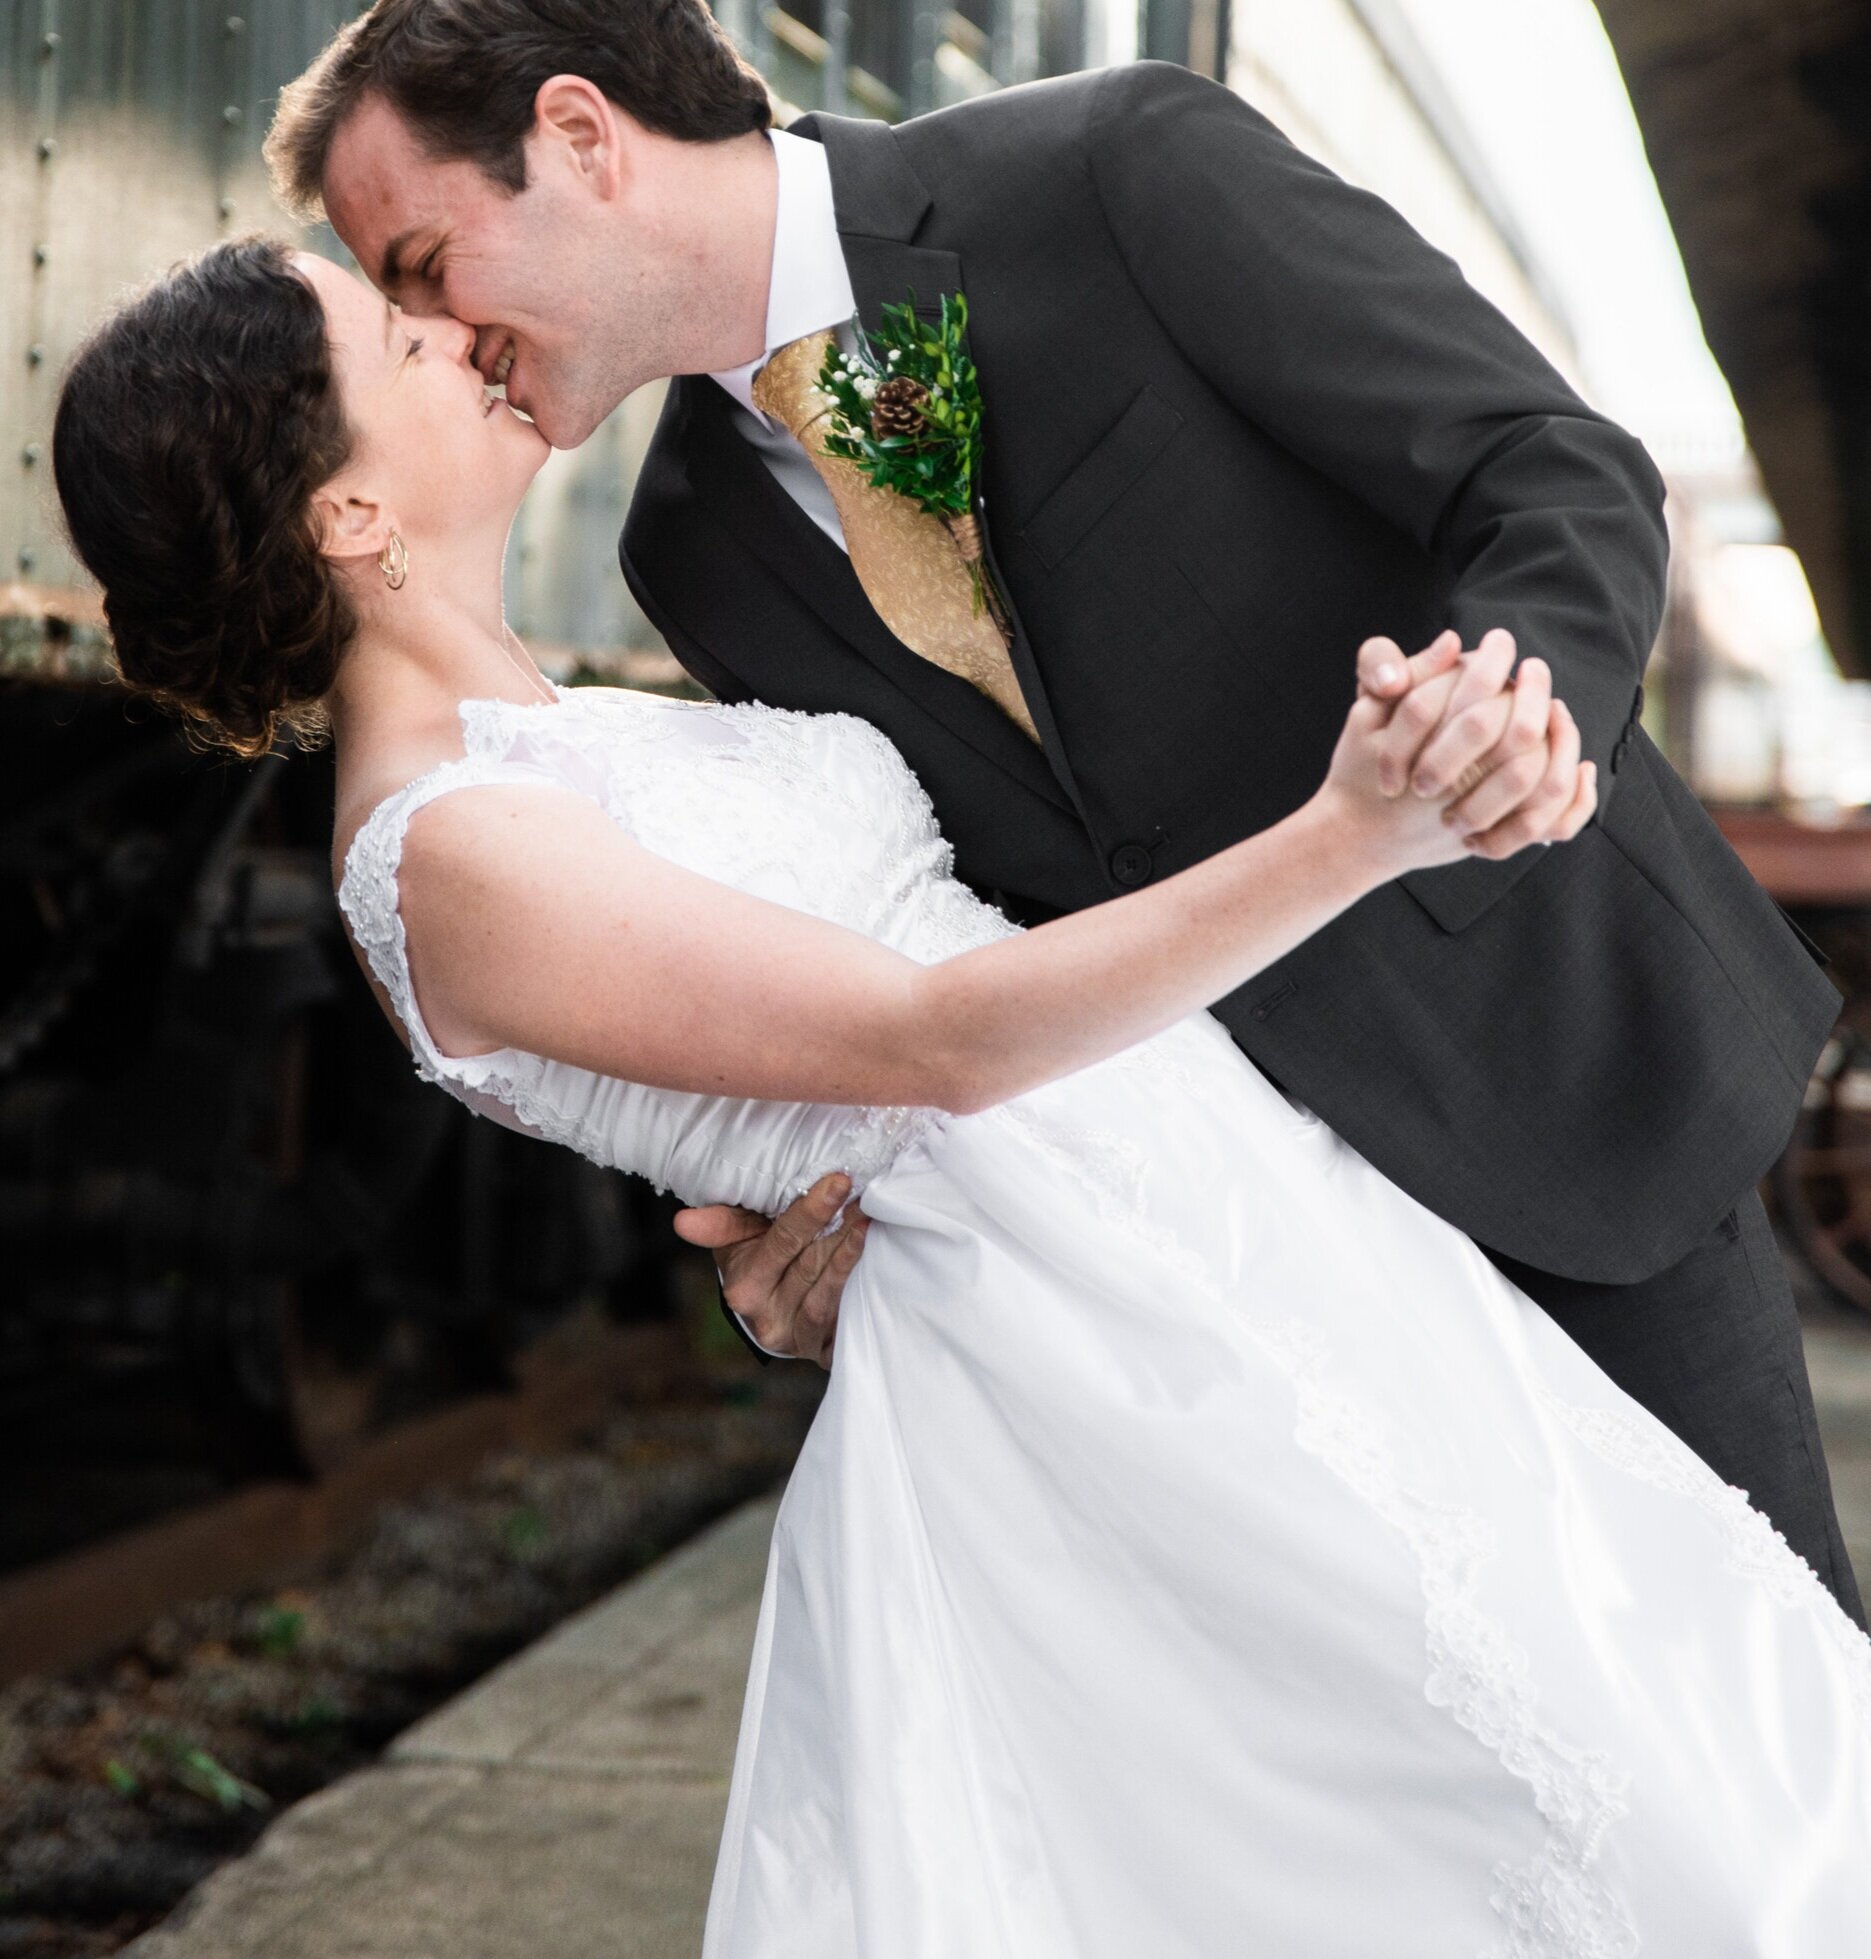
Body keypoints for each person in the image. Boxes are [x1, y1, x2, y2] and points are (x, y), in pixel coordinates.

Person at [51, 234, 1871, 1951]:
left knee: (1660, 1735)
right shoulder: (441, 855)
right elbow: (931, 1040)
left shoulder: (550, 735)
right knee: (1601, 1813)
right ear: (350, 511)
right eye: (399, 340)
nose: (454, 328)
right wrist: (1354, 834)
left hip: (1203, 1216)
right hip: (1100, 1322)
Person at [266, 0, 1858, 1627]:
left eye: (426, 265)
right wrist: (819, 1241)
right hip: (1219, 1285)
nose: (438, 333)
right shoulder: (690, 547)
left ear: (580, 138)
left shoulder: (1112, 168)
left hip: (1547, 1081)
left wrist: (1515, 704)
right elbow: (949, 912)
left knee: (1756, 1764)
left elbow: (1551, 469)